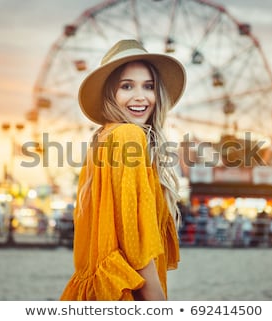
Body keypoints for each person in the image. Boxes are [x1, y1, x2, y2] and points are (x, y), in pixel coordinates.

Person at [60, 39, 186, 301]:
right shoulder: (128, 136)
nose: (140, 96)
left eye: (148, 86)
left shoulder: (104, 139)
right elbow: (137, 246)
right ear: (110, 94)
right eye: (127, 86)